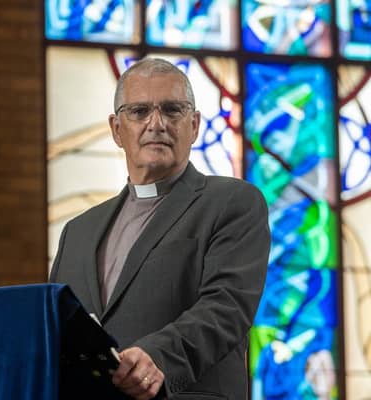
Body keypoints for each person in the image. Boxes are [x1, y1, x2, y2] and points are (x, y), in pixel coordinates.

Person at [49, 58, 270, 400]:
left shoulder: (232, 202)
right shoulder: (78, 232)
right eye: (139, 111)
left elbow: (226, 308)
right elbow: (55, 328)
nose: (157, 124)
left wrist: (159, 357)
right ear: (116, 129)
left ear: (194, 125)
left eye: (172, 110)